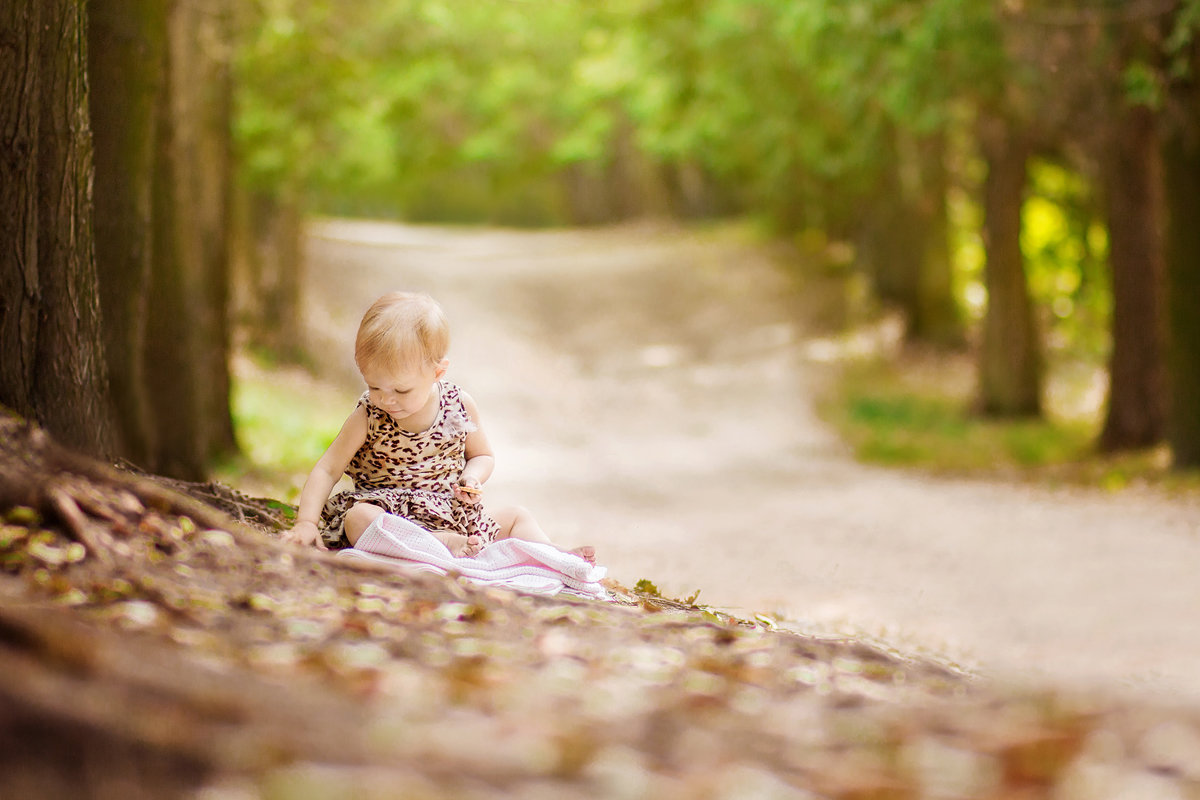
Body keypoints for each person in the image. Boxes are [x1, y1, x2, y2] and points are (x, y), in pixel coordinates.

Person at [280, 291, 594, 563]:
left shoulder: (459, 405)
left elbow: (483, 456)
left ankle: (553, 555)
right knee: (358, 518)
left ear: (438, 372)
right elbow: (328, 469)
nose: (386, 400)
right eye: (375, 386)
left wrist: (472, 477)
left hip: (449, 513)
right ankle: (433, 546)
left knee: (516, 516)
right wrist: (307, 521)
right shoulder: (368, 415)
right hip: (390, 517)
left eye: (401, 390)